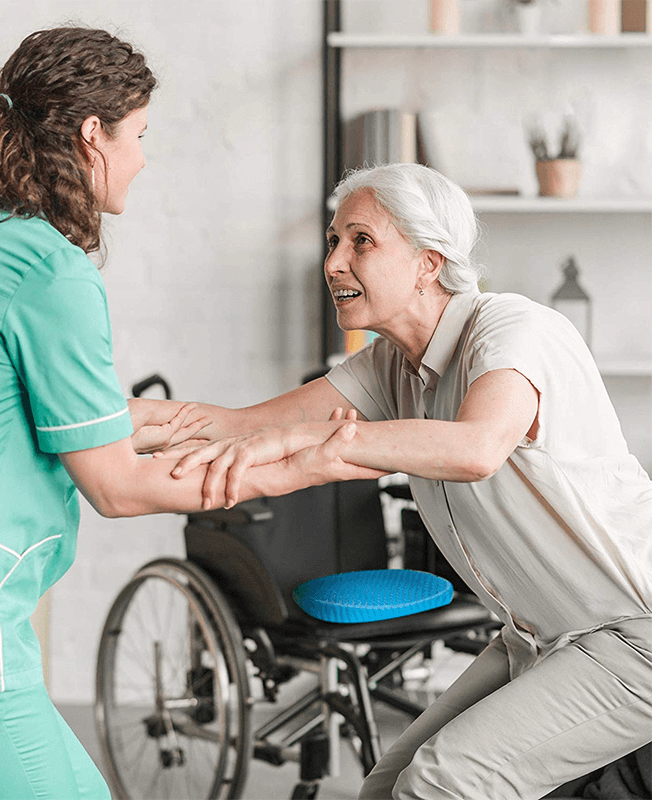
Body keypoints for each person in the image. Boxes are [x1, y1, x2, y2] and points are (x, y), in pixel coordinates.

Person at [0, 27, 379, 800]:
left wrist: (219, 422)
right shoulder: (47, 268)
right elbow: (117, 487)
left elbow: (17, 410)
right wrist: (303, 466)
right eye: (138, 135)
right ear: (90, 134)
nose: (142, 157)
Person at [160, 162, 652, 800]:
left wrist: (310, 441)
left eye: (360, 241)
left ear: (429, 261)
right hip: (542, 636)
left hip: (632, 635)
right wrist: (104, 427)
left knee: (442, 783)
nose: (334, 262)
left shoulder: (512, 328)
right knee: (385, 787)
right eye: (334, 241)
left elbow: (478, 447)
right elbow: (238, 426)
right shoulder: (393, 368)